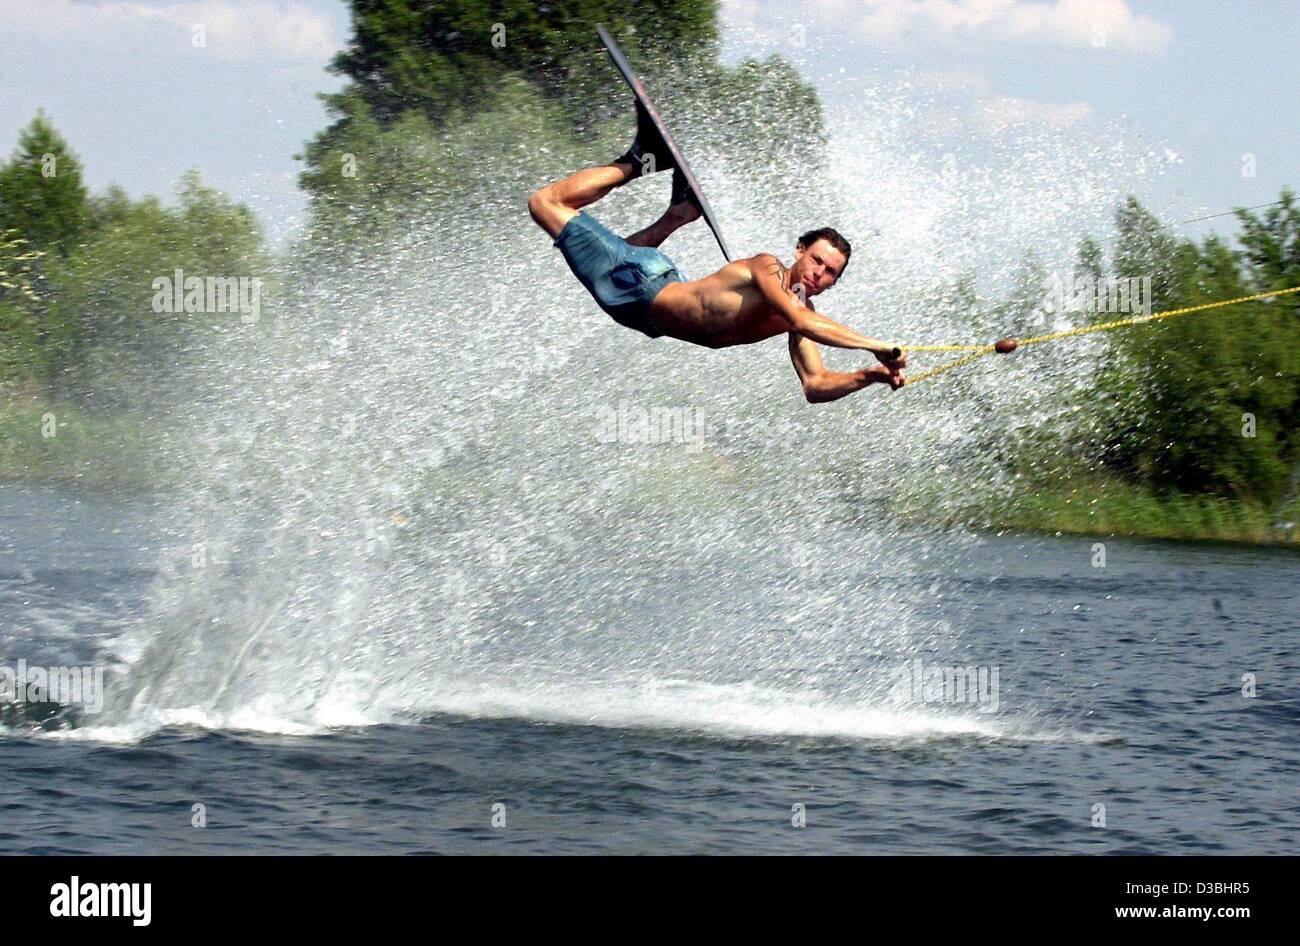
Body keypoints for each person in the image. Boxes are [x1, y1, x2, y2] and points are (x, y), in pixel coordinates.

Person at [527, 113, 907, 402]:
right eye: (817, 261)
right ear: (799, 252)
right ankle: (638, 159)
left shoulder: (801, 319)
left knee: (615, 254)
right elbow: (801, 319)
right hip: (642, 288)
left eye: (829, 273)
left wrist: (869, 375)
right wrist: (872, 343)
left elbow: (815, 385)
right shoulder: (769, 268)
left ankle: (679, 215)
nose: (818, 274)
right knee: (545, 203)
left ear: (834, 283)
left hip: (651, 300)